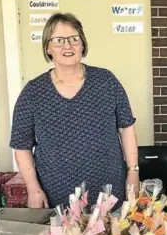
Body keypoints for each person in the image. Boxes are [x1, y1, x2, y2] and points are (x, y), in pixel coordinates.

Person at [10, 13, 139, 209]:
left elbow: (126, 128)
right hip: (57, 198)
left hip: (110, 193)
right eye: (58, 40)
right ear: (48, 47)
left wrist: (133, 171)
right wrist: (33, 188)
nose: (67, 46)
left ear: (82, 45)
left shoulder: (106, 81)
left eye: (74, 39)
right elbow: (21, 145)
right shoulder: (33, 92)